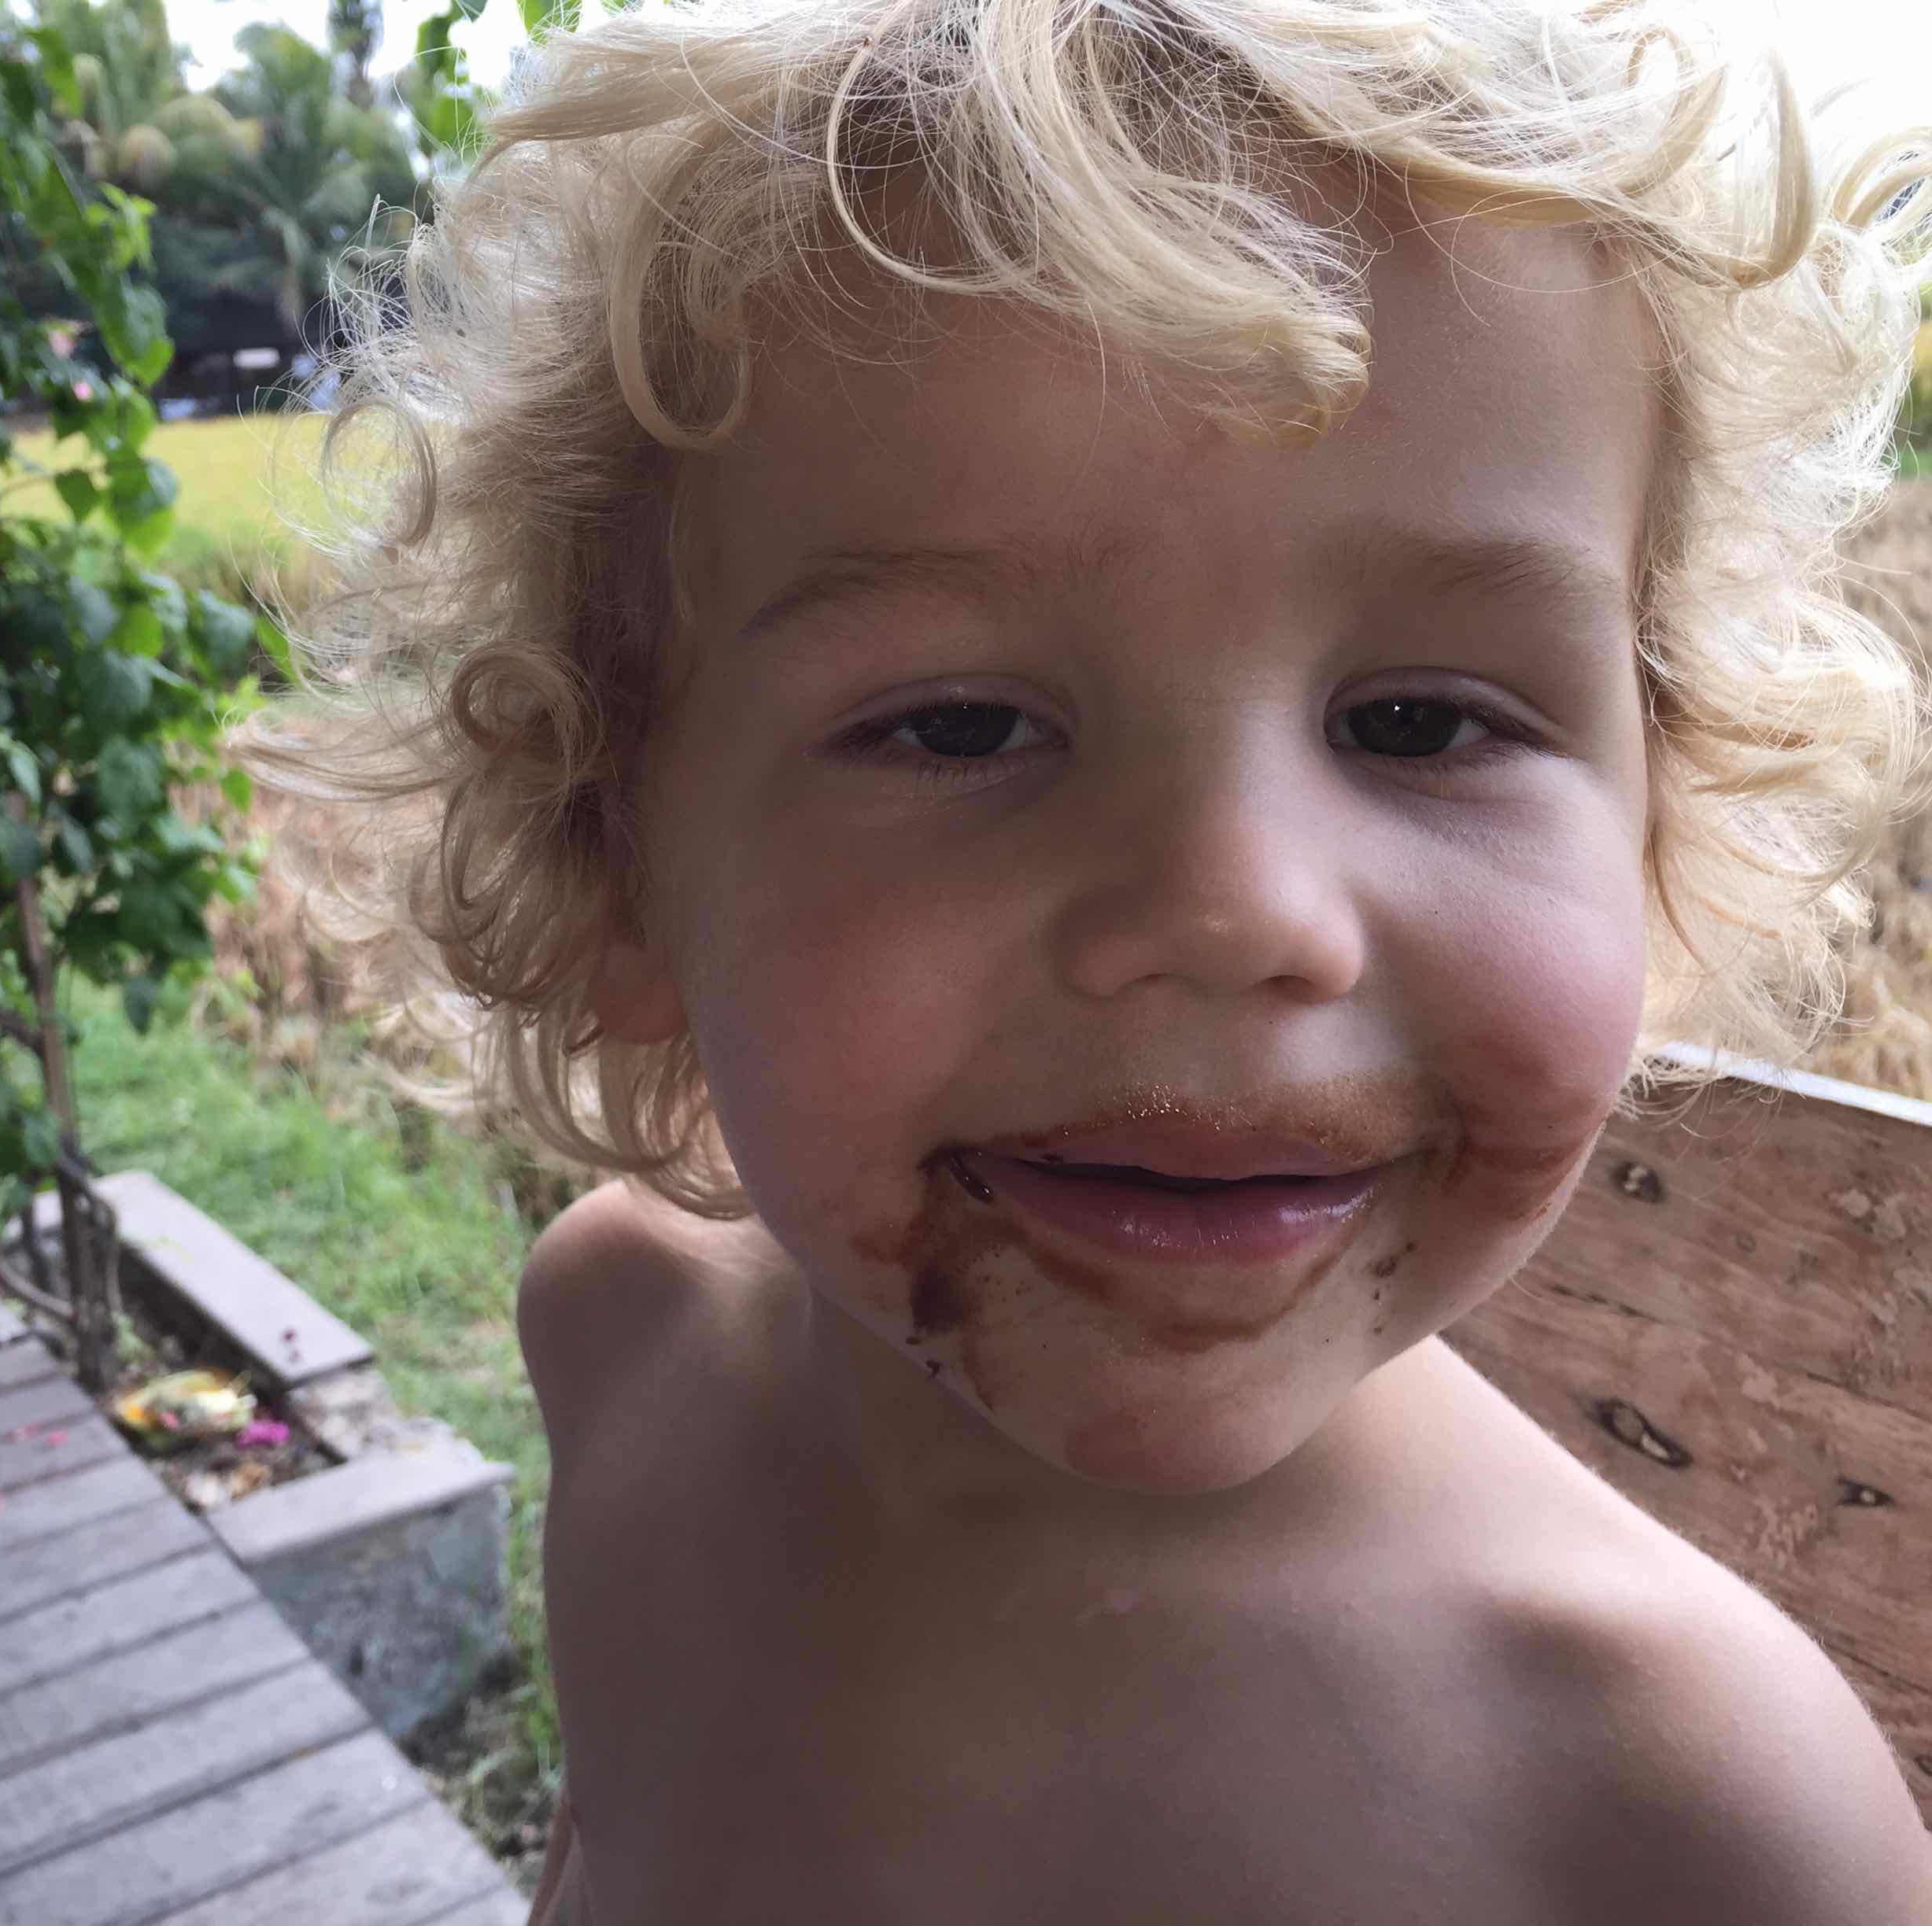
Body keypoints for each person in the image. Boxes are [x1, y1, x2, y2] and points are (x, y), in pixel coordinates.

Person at [253, 0, 1932, 1916]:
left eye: (1418, 724)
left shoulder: (1699, 1820)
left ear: (1657, 821)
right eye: (961, 726)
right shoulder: (623, 1341)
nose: (1234, 909)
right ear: (615, 852)